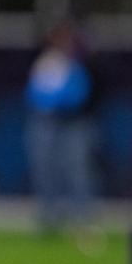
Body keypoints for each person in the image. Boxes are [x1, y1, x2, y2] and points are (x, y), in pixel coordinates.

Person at [25, 21, 95, 231]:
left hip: (71, 124)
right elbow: (34, 95)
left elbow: (80, 94)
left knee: (77, 172)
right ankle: (48, 218)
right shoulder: (46, 63)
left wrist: (59, 102)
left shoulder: (77, 65)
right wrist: (53, 102)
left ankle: (82, 219)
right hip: (47, 124)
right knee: (45, 172)